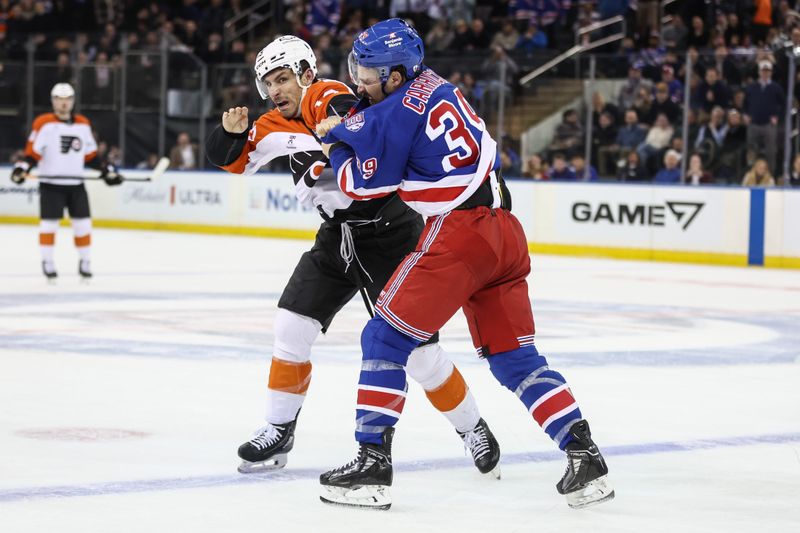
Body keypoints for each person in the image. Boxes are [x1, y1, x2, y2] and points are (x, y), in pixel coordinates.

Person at [316, 18, 613, 511]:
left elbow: (362, 186)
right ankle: (584, 455)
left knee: (382, 338)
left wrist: (336, 143)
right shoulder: (436, 86)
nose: (359, 79)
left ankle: (372, 465)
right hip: (505, 232)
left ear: (395, 74)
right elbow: (389, 122)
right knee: (514, 358)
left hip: (461, 234)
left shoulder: (394, 113)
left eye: (368, 71)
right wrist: (353, 125)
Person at [204, 36, 500, 477]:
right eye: (268, 83)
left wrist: (336, 139)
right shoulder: (270, 123)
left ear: (307, 73)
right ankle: (278, 429)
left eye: (283, 79)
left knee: (419, 353)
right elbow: (233, 162)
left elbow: (352, 118)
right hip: (337, 237)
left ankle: (472, 426)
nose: (276, 90)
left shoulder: (329, 95)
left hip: (389, 233)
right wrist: (227, 134)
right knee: (291, 325)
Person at [10, 82, 122, 281]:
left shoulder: (82, 124)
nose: (63, 103)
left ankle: (85, 261)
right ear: (53, 101)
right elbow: (32, 154)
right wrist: (22, 169)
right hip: (51, 185)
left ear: (72, 101)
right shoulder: (43, 123)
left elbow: (90, 157)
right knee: (49, 226)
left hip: (76, 185)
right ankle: (48, 262)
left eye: (67, 99)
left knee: (83, 225)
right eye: (59, 99)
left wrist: (106, 171)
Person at [744, 61, 785, 175]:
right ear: (759, 72)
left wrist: (777, 116)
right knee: (751, 150)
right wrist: (746, 115)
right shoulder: (752, 87)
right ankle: (751, 175)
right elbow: (745, 103)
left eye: (767, 71)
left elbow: (783, 104)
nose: (765, 73)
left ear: (771, 72)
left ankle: (770, 176)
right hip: (754, 124)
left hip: (769, 125)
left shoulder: (776, 88)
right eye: (763, 71)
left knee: (771, 151)